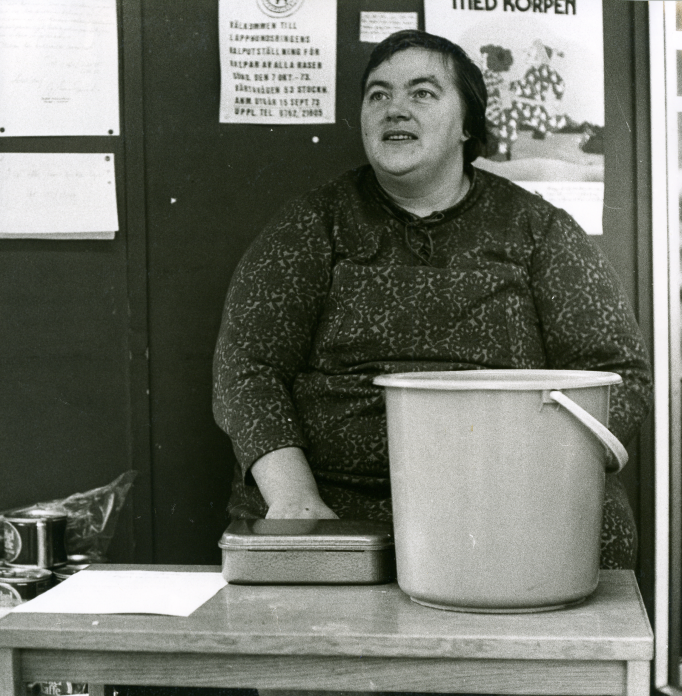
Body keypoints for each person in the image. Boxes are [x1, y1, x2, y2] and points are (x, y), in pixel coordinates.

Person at [213, 30, 651, 583]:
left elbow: (621, 375)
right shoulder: (312, 225)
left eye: (422, 93)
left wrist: (538, 480)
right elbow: (246, 368)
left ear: (467, 123)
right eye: (378, 94)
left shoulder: (539, 231)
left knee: (598, 534)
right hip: (340, 504)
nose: (395, 108)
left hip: (508, 502)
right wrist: (294, 496)